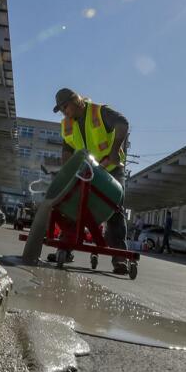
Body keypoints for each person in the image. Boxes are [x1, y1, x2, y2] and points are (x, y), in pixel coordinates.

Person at [53, 87, 132, 275]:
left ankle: (120, 258)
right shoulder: (67, 124)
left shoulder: (99, 111)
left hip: (111, 168)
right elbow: (67, 150)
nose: (64, 112)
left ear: (76, 101)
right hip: (86, 171)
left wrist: (115, 151)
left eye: (66, 107)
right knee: (73, 205)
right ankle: (65, 248)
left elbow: (123, 123)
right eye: (61, 109)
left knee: (114, 209)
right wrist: (66, 173)